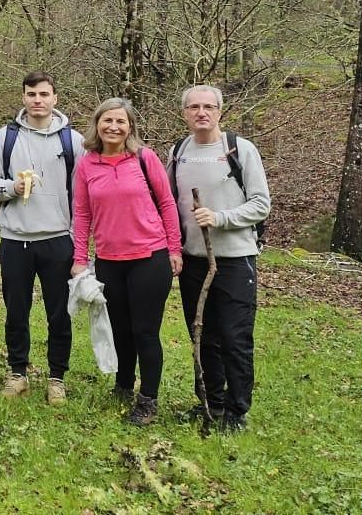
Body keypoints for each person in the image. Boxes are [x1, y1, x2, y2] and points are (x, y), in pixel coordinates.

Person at [70, 97, 182, 427]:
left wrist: (174, 249)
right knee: (119, 330)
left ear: (130, 126)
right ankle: (123, 385)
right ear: (97, 125)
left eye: (120, 121)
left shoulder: (145, 160)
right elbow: (82, 213)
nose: (113, 127)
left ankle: (148, 399)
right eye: (107, 121)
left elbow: (167, 204)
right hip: (108, 260)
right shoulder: (88, 164)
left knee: (144, 331)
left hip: (150, 257)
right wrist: (79, 257)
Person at [170, 85, 272, 432]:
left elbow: (261, 203)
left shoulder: (240, 150)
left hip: (234, 259)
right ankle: (210, 402)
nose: (202, 112)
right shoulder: (179, 151)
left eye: (209, 107)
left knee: (234, 336)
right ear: (184, 112)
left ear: (220, 111)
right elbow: (170, 205)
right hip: (193, 260)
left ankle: (236, 410)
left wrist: (220, 218)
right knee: (202, 333)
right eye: (194, 107)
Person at [0, 72, 83, 402]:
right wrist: (11, 188)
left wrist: (80, 240)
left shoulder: (74, 142)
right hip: (15, 239)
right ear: (23, 98)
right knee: (16, 310)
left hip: (57, 238)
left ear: (55, 98)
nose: (37, 100)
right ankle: (17, 372)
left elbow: (84, 193)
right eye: (31, 94)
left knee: (59, 313)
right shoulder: (4, 138)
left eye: (43, 94)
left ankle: (57, 377)